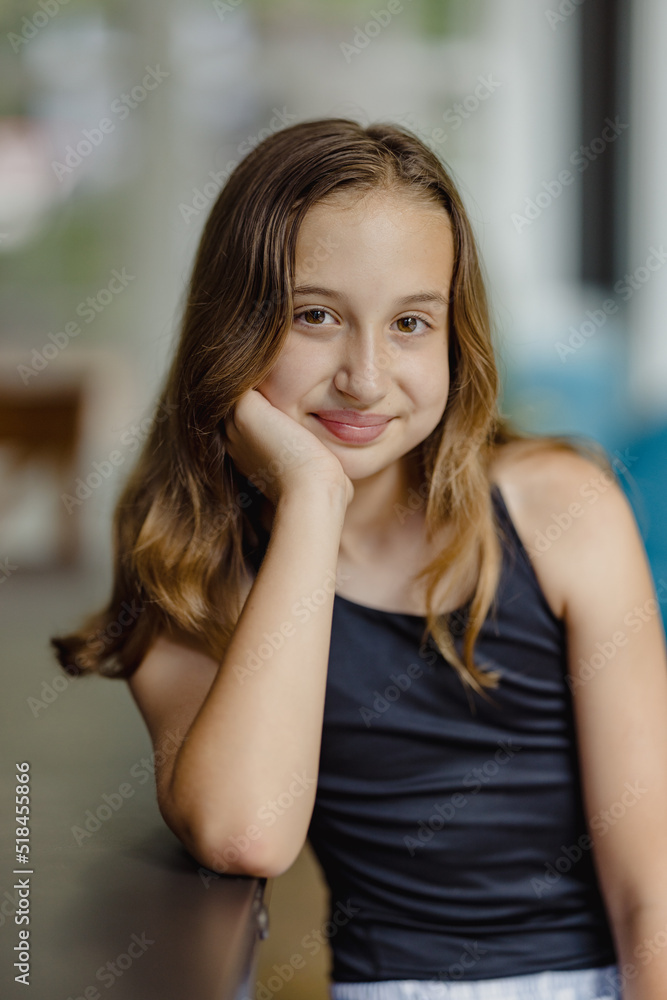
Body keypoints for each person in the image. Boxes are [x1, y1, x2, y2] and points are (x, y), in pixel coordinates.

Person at [51, 118, 667, 1000]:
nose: (365, 377)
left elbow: (652, 897)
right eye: (315, 316)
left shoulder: (563, 510)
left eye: (411, 322)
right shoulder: (187, 562)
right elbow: (244, 833)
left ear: (454, 337)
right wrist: (312, 500)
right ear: (234, 325)